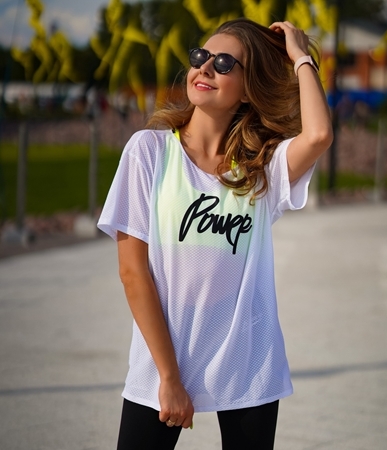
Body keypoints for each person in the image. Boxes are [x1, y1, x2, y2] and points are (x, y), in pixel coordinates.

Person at [98, 18, 333, 450]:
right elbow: (133, 273)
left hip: (248, 363)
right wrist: (169, 377)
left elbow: (318, 135)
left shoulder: (261, 168)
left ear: (247, 88)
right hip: (161, 362)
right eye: (200, 57)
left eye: (224, 63)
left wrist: (301, 57)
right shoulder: (149, 152)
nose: (205, 67)